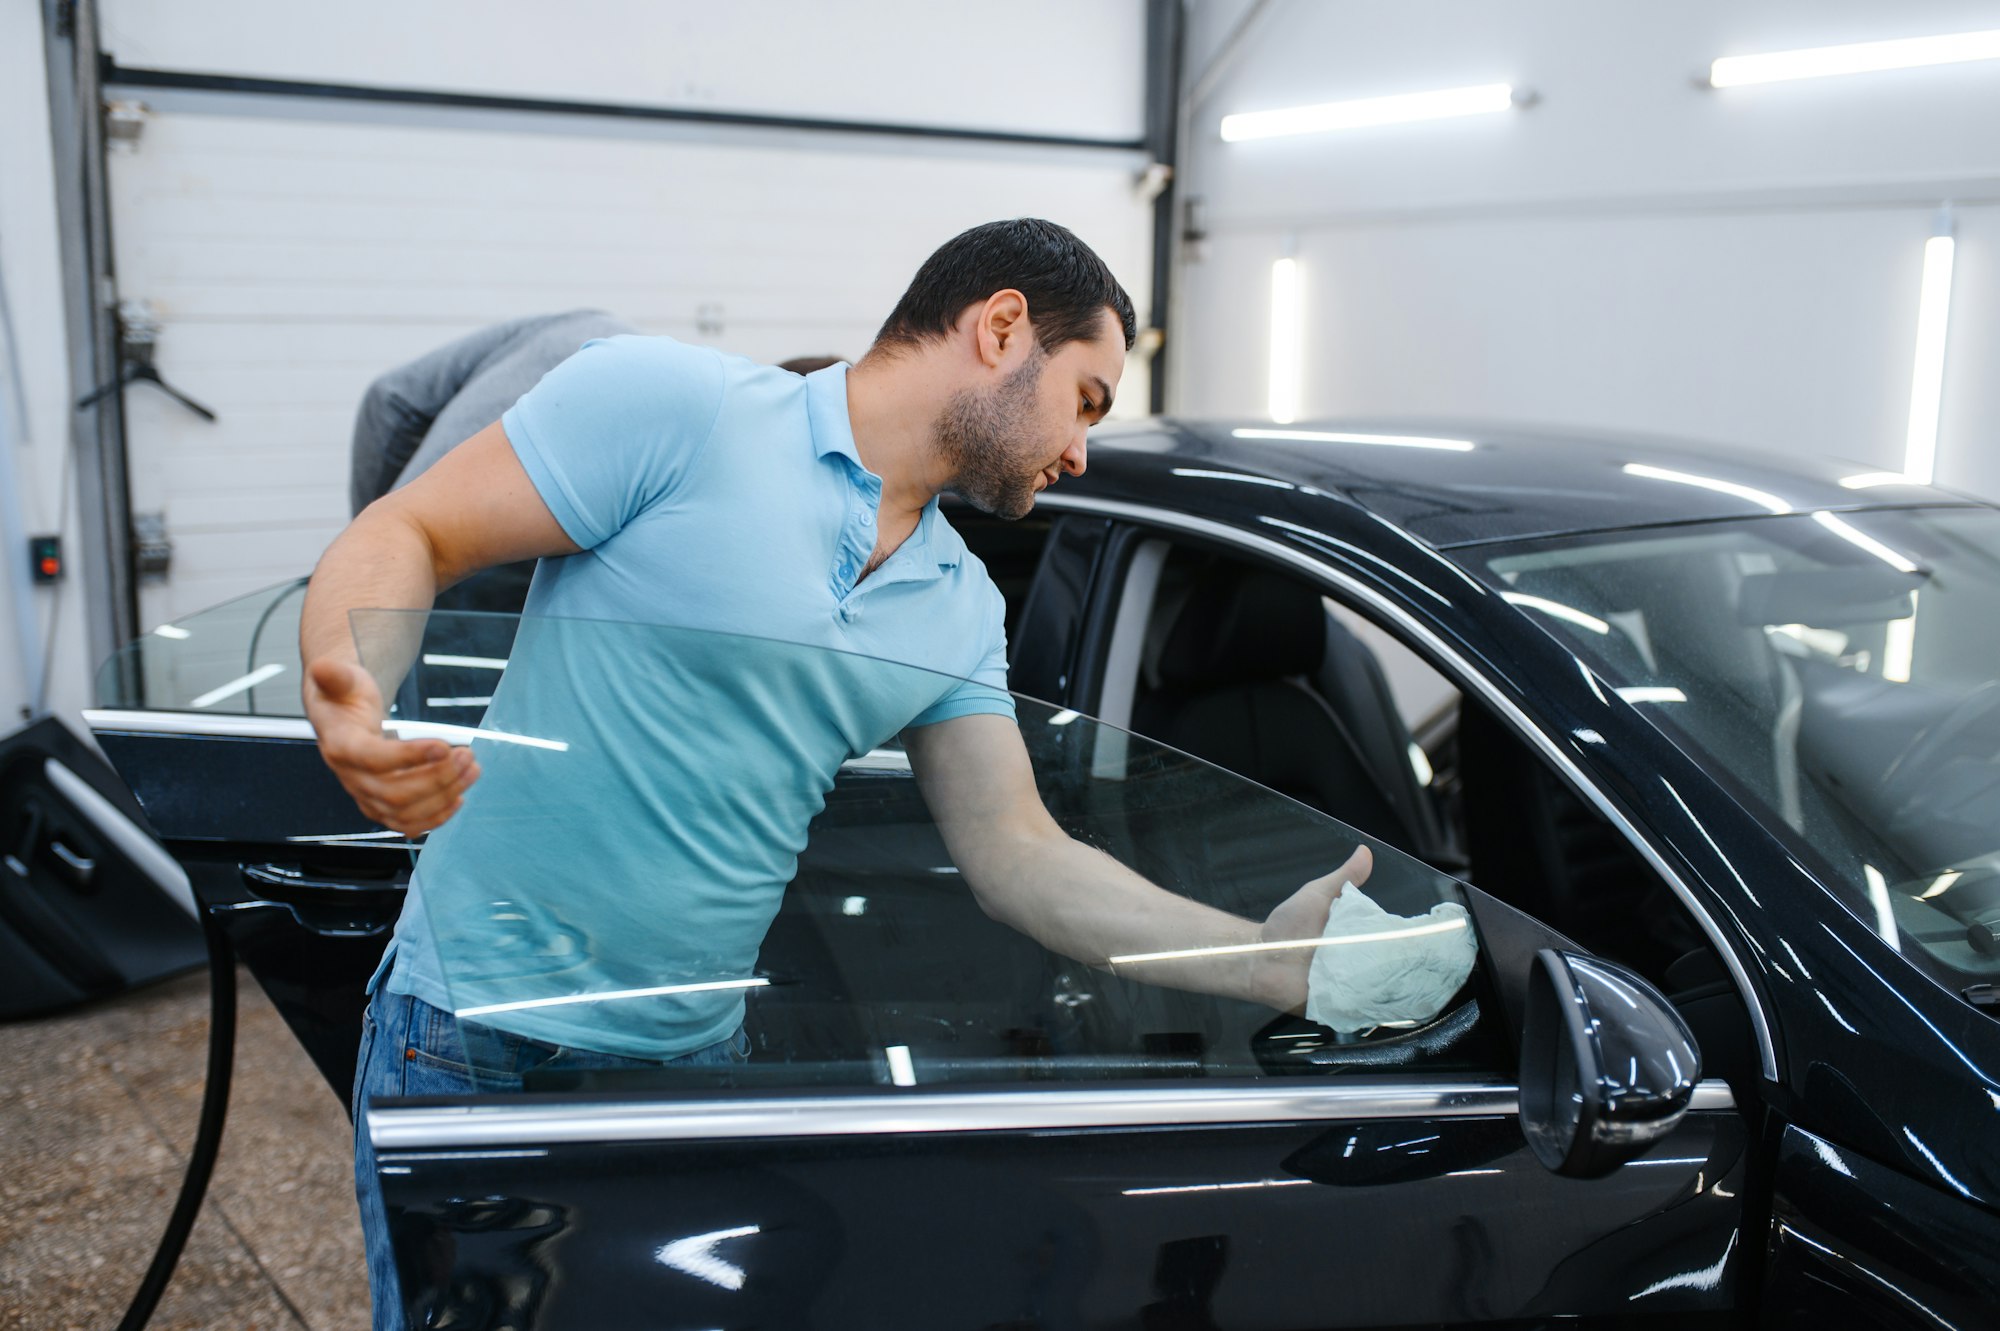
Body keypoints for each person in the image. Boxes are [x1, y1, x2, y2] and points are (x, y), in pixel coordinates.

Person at [301, 218, 1374, 1329]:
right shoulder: (677, 407)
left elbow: (1019, 854)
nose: (1080, 451)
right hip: (479, 1031)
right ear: (1001, 328)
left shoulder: (956, 601)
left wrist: (1261, 961)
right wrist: (354, 693)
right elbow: (412, 530)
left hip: (692, 1062)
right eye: (1086, 399)